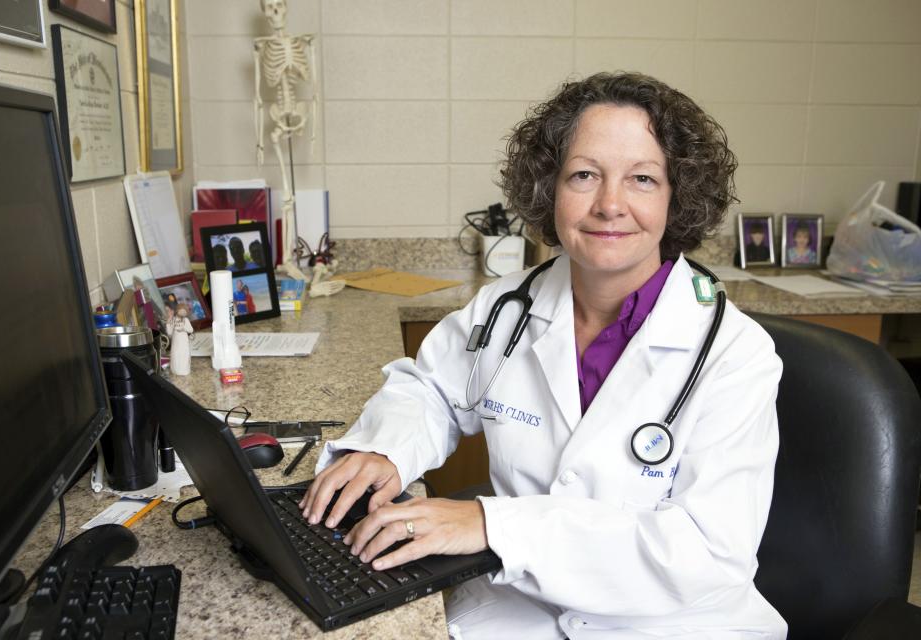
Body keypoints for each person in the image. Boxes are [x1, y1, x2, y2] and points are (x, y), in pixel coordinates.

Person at [302, 72, 785, 638]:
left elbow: (708, 552)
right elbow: (431, 389)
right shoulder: (507, 308)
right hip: (521, 608)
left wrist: (495, 524)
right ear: (549, 187)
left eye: (643, 179)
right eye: (584, 175)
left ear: (678, 196)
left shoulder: (735, 353)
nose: (610, 205)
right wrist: (385, 451)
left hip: (677, 623)